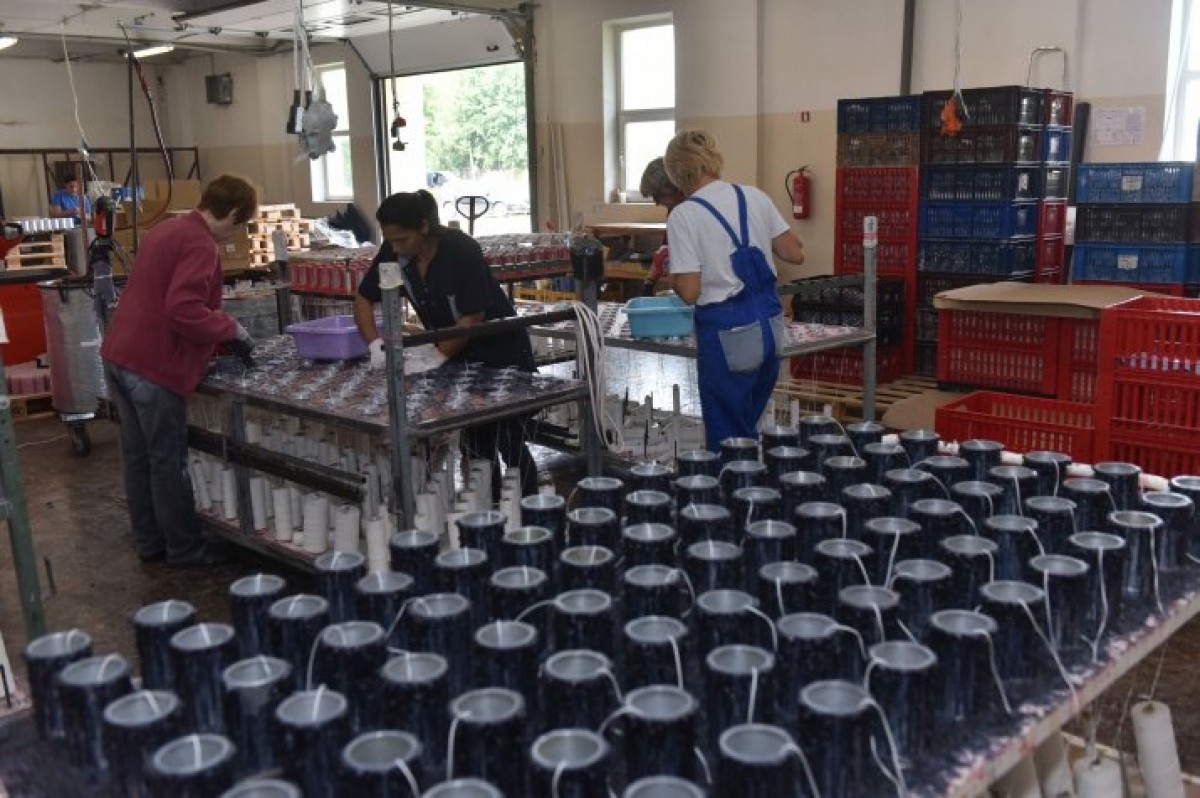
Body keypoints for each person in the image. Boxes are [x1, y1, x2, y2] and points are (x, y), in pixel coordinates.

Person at [100, 174, 259, 566]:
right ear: (233, 213)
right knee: (167, 460)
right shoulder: (201, 243)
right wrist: (230, 328)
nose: (236, 232)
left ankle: (150, 542)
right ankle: (185, 550)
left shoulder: (166, 229)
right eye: (240, 224)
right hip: (152, 365)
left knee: (138, 457)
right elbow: (183, 309)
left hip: (120, 354)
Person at [354, 189, 539, 500]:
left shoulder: (461, 250)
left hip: (500, 351)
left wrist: (435, 357)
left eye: (402, 240)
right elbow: (363, 298)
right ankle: (491, 509)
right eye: (390, 240)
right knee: (476, 444)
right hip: (458, 356)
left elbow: (472, 317)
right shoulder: (394, 251)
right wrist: (374, 345)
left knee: (509, 439)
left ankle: (531, 510)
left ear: (424, 227)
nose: (395, 248)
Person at [663, 129, 806, 452]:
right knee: (747, 427)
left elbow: (689, 291)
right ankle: (753, 477)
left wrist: (672, 275)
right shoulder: (755, 196)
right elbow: (796, 252)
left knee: (727, 440)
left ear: (676, 173)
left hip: (728, 335)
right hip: (770, 328)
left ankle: (733, 483)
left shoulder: (684, 215)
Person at [638, 157, 687, 297]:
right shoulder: (673, 210)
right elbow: (665, 249)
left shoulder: (692, 211)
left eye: (657, 197)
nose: (656, 203)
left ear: (672, 189)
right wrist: (649, 283)